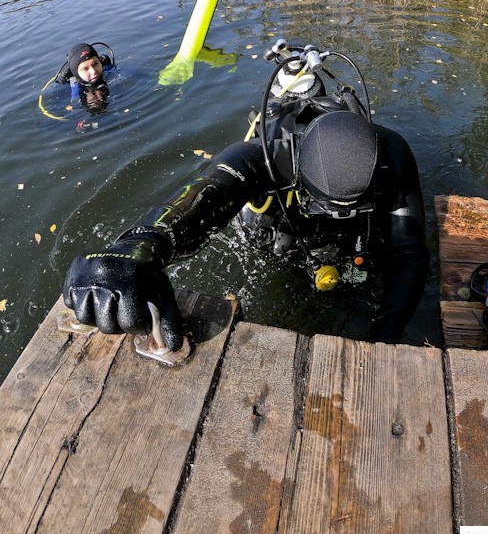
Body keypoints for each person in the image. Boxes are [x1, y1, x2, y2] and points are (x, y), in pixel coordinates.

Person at [63, 40, 429, 350]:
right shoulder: (268, 155)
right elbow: (209, 191)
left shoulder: (391, 153)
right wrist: (144, 244)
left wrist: (384, 340)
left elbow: (409, 251)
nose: (338, 213)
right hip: (286, 231)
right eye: (330, 206)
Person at [55, 42, 116, 113]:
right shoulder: (73, 90)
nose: (93, 71)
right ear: (76, 73)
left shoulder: (110, 71)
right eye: (85, 68)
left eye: (95, 64)